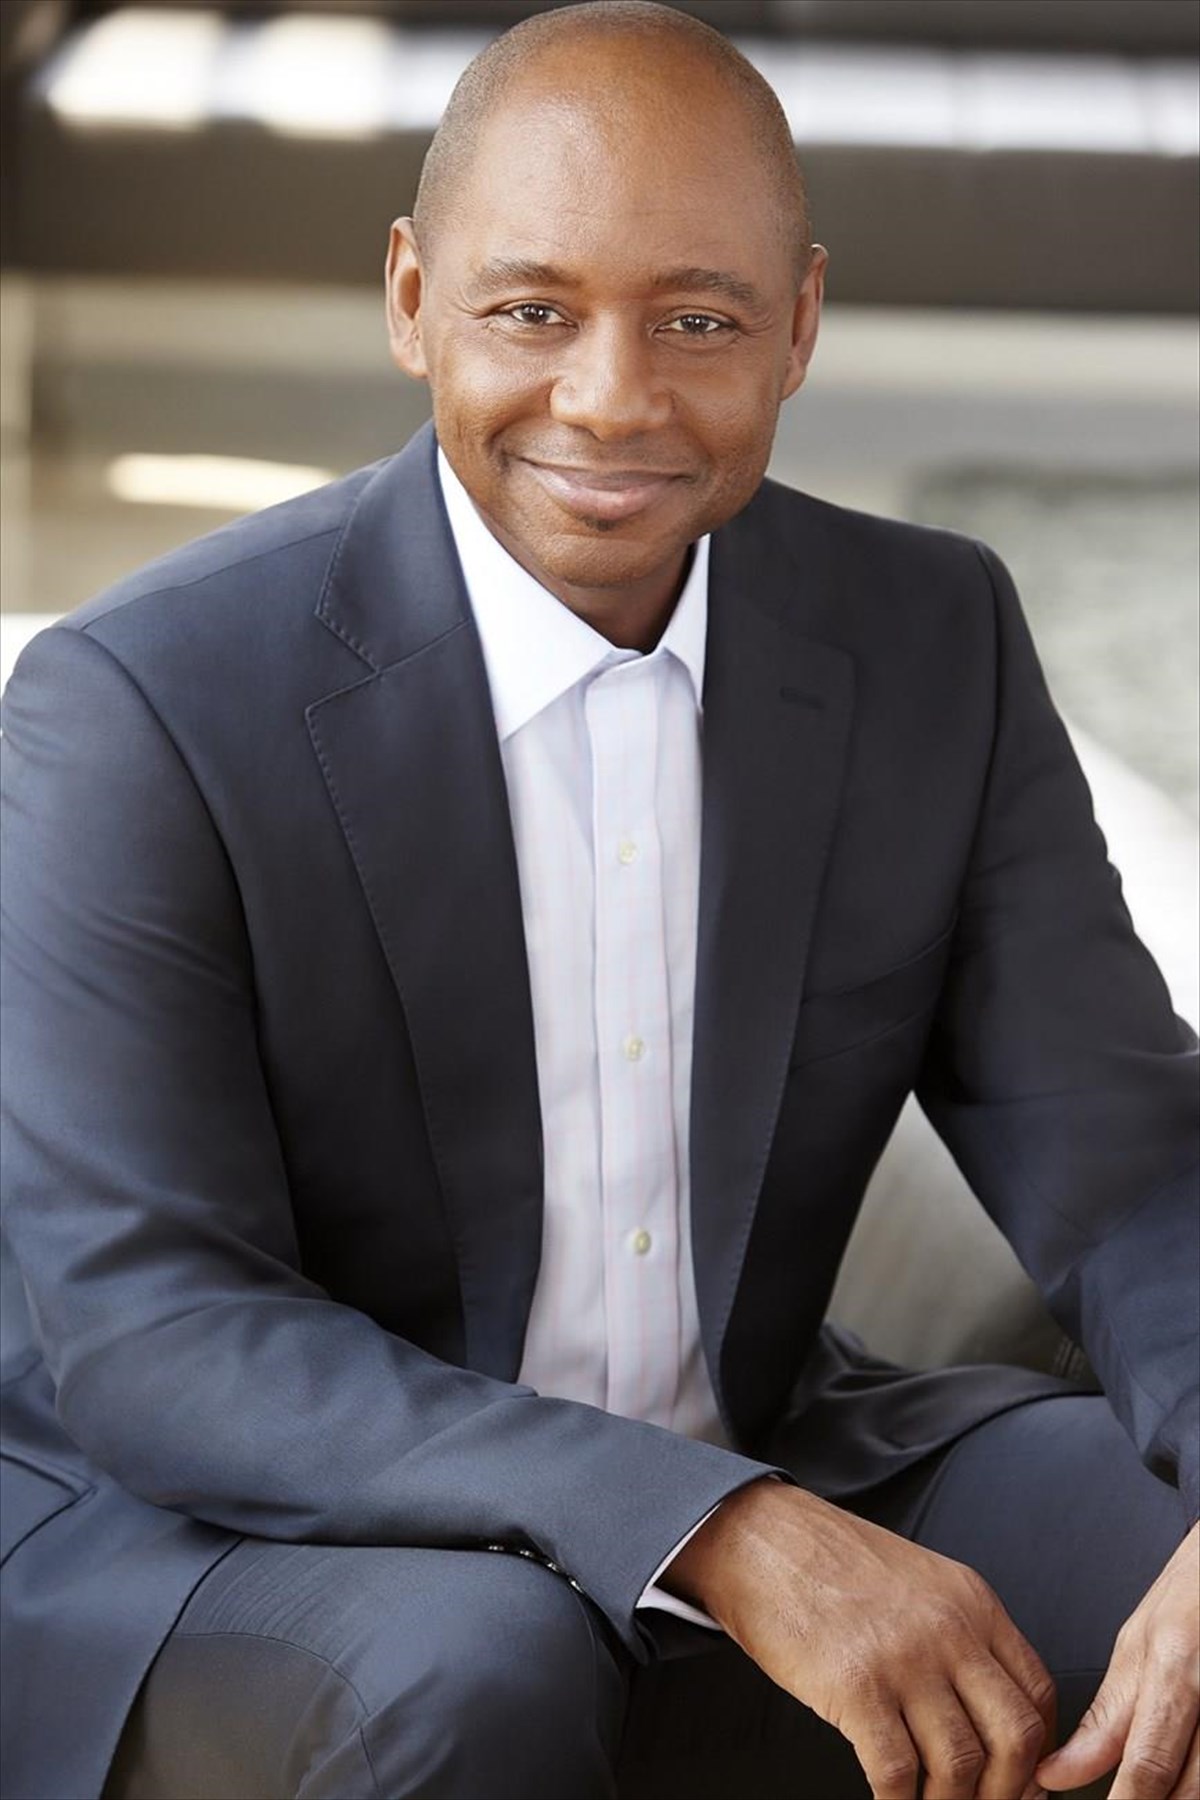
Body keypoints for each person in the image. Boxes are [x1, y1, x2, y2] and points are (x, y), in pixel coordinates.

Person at [1, 3, 1197, 1796]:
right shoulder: (141, 703)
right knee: (480, 1668)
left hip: (782, 1435)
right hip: (234, 1526)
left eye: (699, 320)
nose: (613, 397)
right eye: (532, 311)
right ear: (414, 300)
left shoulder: (928, 639)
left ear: (801, 324)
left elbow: (1129, 1162)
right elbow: (156, 1331)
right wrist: (711, 1524)